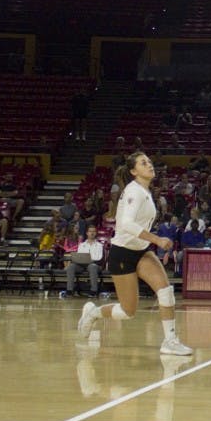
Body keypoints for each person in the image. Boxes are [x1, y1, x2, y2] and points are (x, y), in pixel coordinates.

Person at [77, 152, 192, 356]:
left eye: (149, 161)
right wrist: (157, 240)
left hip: (141, 251)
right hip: (122, 254)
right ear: (133, 171)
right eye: (143, 163)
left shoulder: (145, 191)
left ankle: (170, 341)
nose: (149, 165)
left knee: (165, 291)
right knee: (127, 312)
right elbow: (126, 224)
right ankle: (93, 313)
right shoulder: (134, 192)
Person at [65, 225, 105, 297]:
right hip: (82, 265)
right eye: (90, 231)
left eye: (94, 231)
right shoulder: (82, 245)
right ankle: (69, 290)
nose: (92, 233)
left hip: (95, 264)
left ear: (96, 233)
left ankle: (94, 291)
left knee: (92, 267)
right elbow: (80, 256)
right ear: (87, 233)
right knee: (71, 267)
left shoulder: (99, 245)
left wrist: (90, 259)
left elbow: (99, 258)